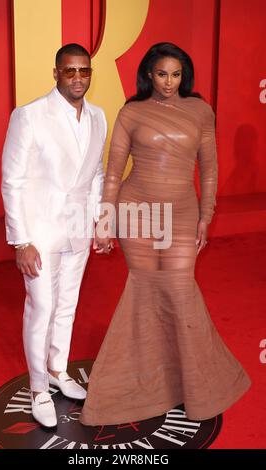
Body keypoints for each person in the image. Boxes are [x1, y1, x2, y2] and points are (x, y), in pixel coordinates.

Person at [79, 42, 251, 426]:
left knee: (177, 287)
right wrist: (106, 219)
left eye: (175, 74)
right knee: (144, 289)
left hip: (182, 211)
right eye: (161, 74)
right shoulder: (132, 112)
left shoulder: (200, 111)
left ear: (183, 76)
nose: (169, 82)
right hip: (137, 210)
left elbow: (208, 169)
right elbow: (113, 171)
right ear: (149, 75)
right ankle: (141, 382)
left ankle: (187, 381)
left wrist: (206, 215)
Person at [1, 43, 107, 427]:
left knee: (67, 304)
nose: (78, 78)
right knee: (42, 306)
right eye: (70, 71)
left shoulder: (98, 117)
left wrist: (98, 220)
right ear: (56, 72)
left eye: (84, 71)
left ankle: (59, 369)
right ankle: (38, 387)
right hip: (39, 232)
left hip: (78, 229)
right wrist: (21, 240)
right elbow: (12, 181)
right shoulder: (29, 116)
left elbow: (95, 175)